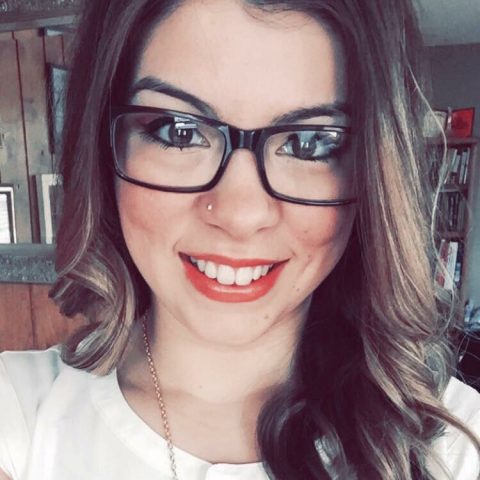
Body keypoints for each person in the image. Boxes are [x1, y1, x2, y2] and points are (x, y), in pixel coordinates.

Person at [0, 0, 479, 478]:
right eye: (179, 132)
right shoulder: (19, 418)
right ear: (106, 152)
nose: (240, 215)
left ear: (375, 173)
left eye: (309, 143)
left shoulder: (458, 447)